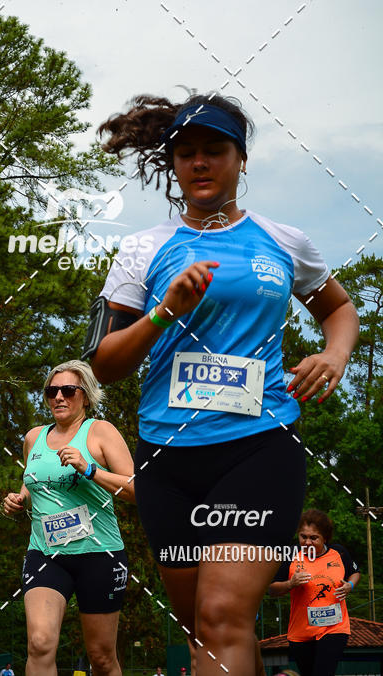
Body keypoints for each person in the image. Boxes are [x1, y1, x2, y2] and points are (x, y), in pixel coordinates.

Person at [85, 93, 359, 676]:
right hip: (168, 458)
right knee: (203, 632)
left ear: (241, 160)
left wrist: (335, 354)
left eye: (215, 149)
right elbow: (103, 365)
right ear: (173, 164)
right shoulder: (142, 249)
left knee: (221, 617)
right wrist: (163, 312)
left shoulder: (283, 240)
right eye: (186, 153)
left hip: (258, 447)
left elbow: (338, 309)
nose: (200, 162)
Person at [3, 360, 135, 676]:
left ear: (85, 396)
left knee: (101, 657)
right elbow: (33, 484)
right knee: (39, 644)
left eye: (68, 390)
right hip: (46, 554)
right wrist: (19, 499)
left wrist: (90, 469)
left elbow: (135, 489)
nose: (59, 397)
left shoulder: (100, 431)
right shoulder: (34, 437)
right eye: (52, 391)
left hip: (99, 554)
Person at [269, 508, 360, 676]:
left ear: (325, 538)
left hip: (334, 628)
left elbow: (355, 572)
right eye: (303, 537)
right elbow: (272, 589)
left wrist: (350, 586)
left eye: (314, 538)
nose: (307, 542)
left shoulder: (338, 552)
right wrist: (290, 583)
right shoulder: (290, 555)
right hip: (301, 632)